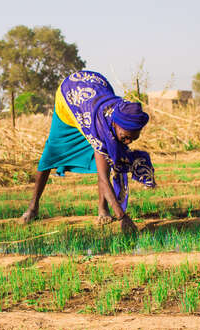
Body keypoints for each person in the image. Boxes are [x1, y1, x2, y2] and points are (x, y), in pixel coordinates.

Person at [20, 70, 155, 233]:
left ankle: (102, 209)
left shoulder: (120, 111)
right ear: (114, 125)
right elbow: (105, 179)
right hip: (69, 98)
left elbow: (104, 166)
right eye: (125, 137)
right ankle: (33, 206)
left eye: (133, 139)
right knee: (51, 152)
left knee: (105, 158)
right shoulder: (99, 126)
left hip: (98, 87)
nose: (127, 142)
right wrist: (122, 216)